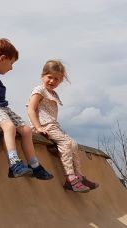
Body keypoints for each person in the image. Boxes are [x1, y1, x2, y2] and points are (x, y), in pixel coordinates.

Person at [0, 38, 53, 180]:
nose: (11, 68)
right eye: (11, 63)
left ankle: (34, 165)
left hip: (3, 108)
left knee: (26, 130)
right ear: (3, 58)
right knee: (9, 127)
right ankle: (14, 163)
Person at [27, 60, 98, 193]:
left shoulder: (53, 94)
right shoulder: (39, 90)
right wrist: (38, 127)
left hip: (53, 125)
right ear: (43, 76)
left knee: (73, 144)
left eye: (57, 79)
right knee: (65, 143)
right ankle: (70, 179)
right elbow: (31, 109)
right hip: (44, 125)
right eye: (50, 77)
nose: (52, 81)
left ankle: (79, 176)